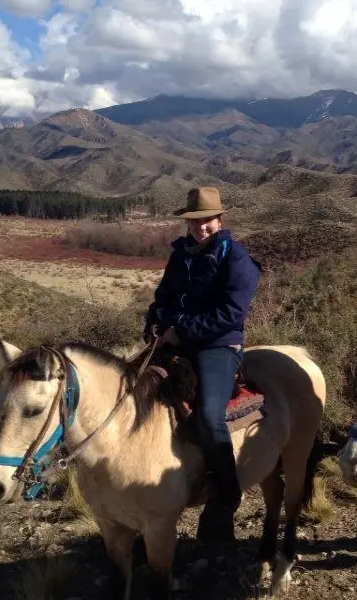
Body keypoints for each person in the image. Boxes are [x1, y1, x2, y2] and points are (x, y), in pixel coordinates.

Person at [143, 186, 261, 542]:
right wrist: (154, 322)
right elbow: (162, 296)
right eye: (195, 222)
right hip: (177, 339)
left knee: (210, 416)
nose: (201, 227)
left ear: (219, 220)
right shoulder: (181, 254)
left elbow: (231, 313)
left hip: (218, 345)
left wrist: (183, 332)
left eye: (207, 220)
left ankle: (227, 495)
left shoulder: (236, 258)